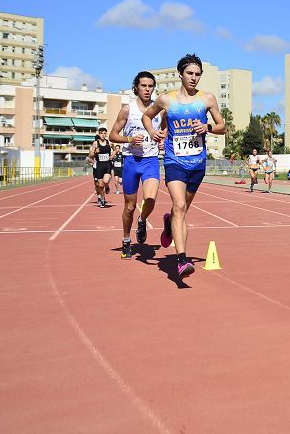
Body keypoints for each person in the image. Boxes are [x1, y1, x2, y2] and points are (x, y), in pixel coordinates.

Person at [142, 53, 225, 279]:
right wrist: (153, 132)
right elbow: (147, 117)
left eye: (198, 74)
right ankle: (181, 261)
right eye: (190, 73)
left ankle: (169, 223)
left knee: (182, 210)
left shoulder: (207, 99)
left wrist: (206, 127)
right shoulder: (166, 99)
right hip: (174, 160)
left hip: (197, 163)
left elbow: (222, 126)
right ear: (180, 74)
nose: (193, 78)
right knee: (178, 206)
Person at [108, 71, 165, 260]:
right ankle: (126, 240)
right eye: (144, 86)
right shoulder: (127, 109)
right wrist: (129, 139)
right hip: (131, 161)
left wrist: (162, 139)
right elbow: (112, 135)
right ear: (136, 88)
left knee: (150, 199)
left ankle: (142, 220)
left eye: (150, 86)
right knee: (130, 207)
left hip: (150, 160)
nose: (147, 90)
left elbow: (164, 129)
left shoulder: (159, 109)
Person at [87, 127, 114, 208]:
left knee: (106, 181)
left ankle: (107, 186)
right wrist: (95, 152)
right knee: (100, 185)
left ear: (106, 134)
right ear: (99, 134)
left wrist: (112, 155)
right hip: (99, 166)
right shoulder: (95, 143)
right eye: (101, 133)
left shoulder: (109, 143)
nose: (103, 135)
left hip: (107, 165)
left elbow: (115, 150)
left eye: (104, 133)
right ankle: (102, 199)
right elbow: (90, 156)